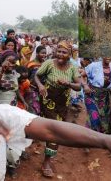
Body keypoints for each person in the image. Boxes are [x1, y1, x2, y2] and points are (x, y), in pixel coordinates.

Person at [35, 40, 82, 177]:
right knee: (54, 130)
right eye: (59, 51)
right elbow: (37, 75)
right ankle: (47, 162)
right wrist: (40, 86)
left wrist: (68, 83)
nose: (61, 54)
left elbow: (79, 86)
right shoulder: (49, 63)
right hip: (48, 99)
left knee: (56, 129)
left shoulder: (73, 67)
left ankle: (47, 156)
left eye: (64, 52)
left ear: (69, 54)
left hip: (63, 102)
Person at [83, 57, 111, 134]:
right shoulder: (93, 65)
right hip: (92, 94)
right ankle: (91, 138)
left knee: (104, 119)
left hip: (104, 97)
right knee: (94, 117)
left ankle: (100, 138)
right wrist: (85, 85)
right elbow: (81, 74)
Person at [25, 45, 47, 115]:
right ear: (37, 53)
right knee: (34, 109)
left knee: (43, 108)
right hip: (32, 89)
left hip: (43, 89)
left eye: (45, 53)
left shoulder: (46, 64)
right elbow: (25, 77)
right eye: (42, 53)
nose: (44, 55)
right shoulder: (30, 64)